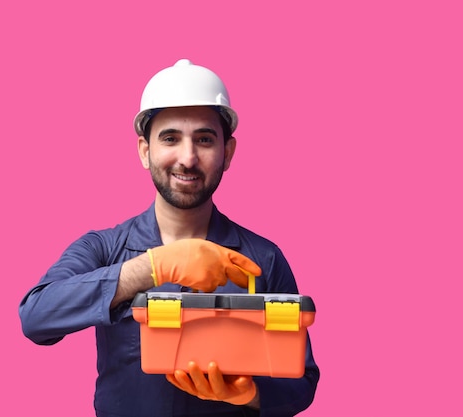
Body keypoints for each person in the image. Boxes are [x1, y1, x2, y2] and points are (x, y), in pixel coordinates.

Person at [19, 59, 319, 417]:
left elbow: (303, 383)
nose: (188, 158)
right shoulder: (102, 248)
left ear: (228, 153)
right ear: (145, 151)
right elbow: (36, 317)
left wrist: (251, 393)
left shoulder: (264, 259)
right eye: (170, 138)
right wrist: (151, 268)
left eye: (205, 140)